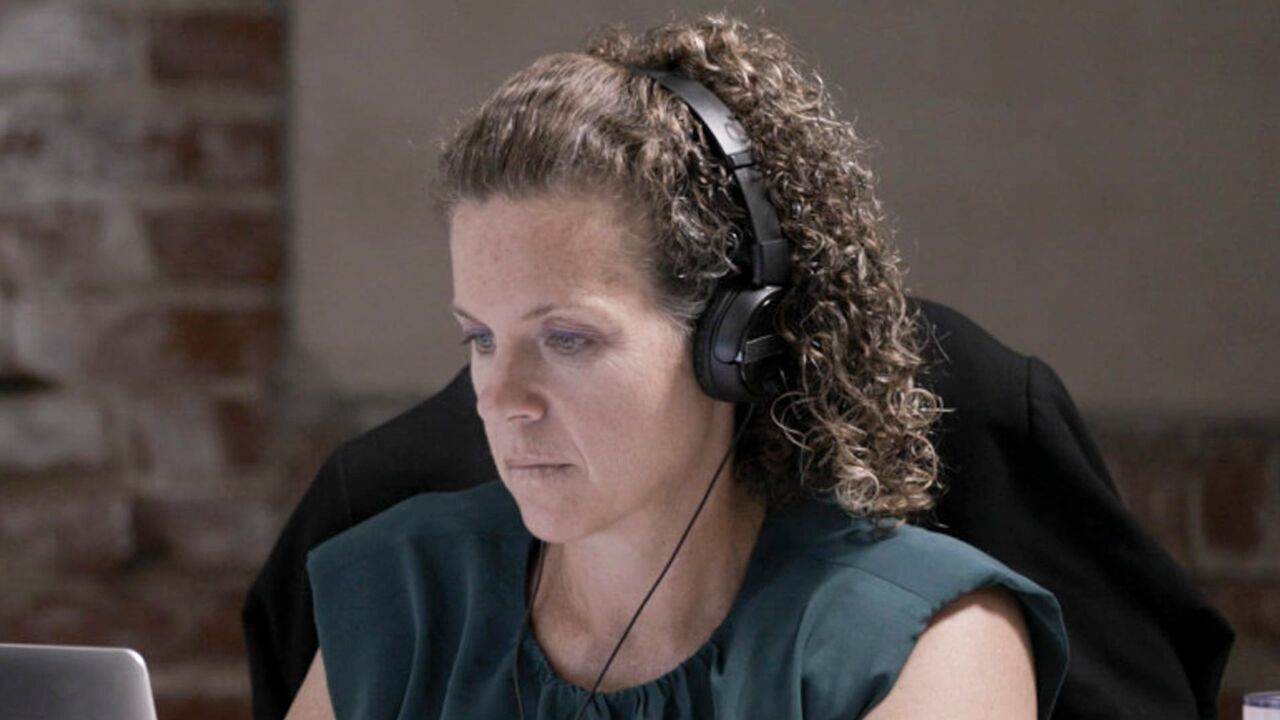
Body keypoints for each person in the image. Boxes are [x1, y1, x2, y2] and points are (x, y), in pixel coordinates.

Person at [283, 14, 1069, 719]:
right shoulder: (397, 599)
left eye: (567, 339)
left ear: (733, 339)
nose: (500, 399)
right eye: (481, 339)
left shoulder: (932, 643)